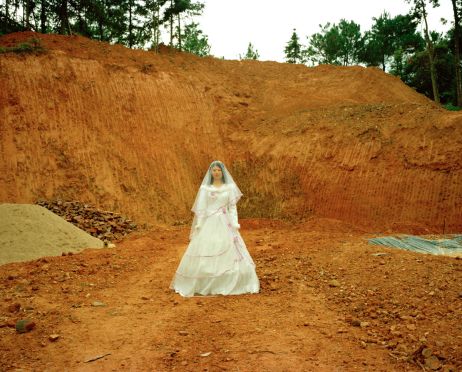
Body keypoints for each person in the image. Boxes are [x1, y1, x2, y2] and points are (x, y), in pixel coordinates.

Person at [170, 160, 260, 297]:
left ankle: (231, 279)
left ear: (222, 172)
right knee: (207, 248)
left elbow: (232, 207)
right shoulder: (205, 189)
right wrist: (199, 223)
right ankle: (205, 278)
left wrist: (235, 223)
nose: (216, 172)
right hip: (209, 222)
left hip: (225, 223)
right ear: (210, 172)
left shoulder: (229, 188)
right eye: (214, 170)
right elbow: (202, 209)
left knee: (230, 248)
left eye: (218, 170)